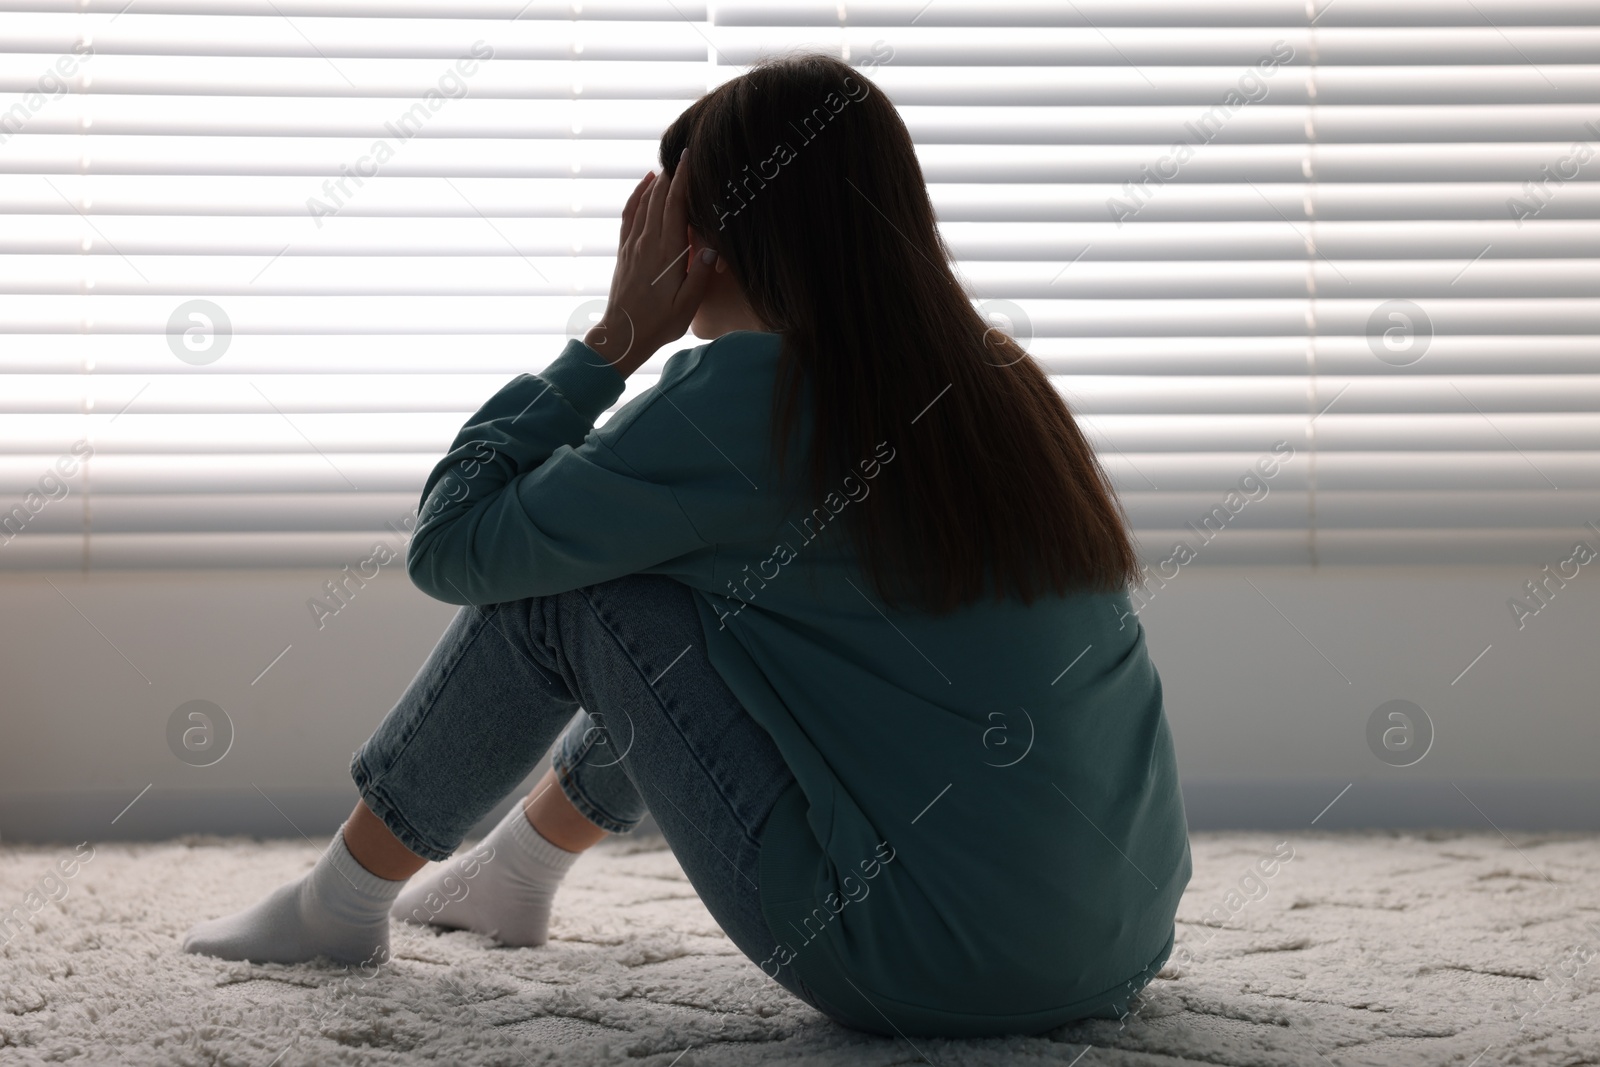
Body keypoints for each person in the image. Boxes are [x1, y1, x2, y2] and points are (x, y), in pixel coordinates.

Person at [183, 51, 1191, 1040]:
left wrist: (612, 342)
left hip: (916, 963)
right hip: (1119, 938)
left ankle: (339, 904)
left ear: (719, 234)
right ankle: (512, 874)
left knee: (572, 590)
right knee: (702, 581)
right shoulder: (995, 382)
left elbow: (453, 542)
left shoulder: (747, 399)